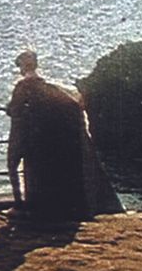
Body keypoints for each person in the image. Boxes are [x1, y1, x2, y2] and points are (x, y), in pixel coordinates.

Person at [6, 50, 91, 221]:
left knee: (12, 165)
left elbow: (13, 109)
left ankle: (19, 204)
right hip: (39, 136)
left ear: (22, 67)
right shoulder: (48, 87)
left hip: (22, 133)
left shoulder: (22, 87)